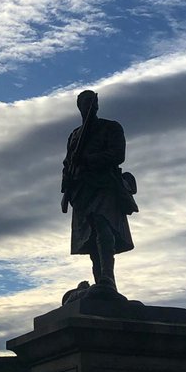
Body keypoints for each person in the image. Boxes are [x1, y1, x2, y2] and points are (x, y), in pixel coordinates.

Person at [61, 89, 136, 291]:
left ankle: (107, 277)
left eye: (91, 102)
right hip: (81, 190)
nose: (89, 105)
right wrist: (66, 183)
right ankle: (101, 283)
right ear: (79, 107)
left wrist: (89, 160)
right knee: (90, 238)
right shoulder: (74, 135)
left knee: (104, 227)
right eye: (85, 102)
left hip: (104, 185)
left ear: (97, 105)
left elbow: (118, 154)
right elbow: (67, 163)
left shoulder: (110, 127)